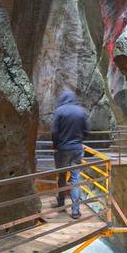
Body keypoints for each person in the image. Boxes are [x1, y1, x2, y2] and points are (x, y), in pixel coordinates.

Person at [51, 90, 89, 219]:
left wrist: (56, 146)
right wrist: (79, 141)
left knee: (62, 176)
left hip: (63, 149)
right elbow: (87, 130)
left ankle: (61, 202)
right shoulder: (81, 111)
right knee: (75, 179)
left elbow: (55, 132)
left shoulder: (60, 111)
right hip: (77, 149)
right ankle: (75, 211)